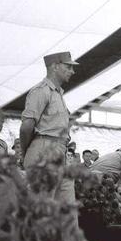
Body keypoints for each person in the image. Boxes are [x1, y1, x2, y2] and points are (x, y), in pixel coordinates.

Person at [20, 51, 79, 204]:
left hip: (61, 151)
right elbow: (27, 126)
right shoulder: (41, 91)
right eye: (68, 66)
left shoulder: (58, 93)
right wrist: (26, 152)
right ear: (54, 66)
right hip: (44, 149)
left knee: (67, 210)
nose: (73, 71)